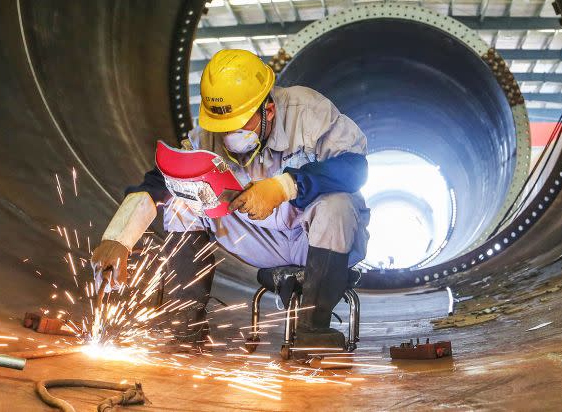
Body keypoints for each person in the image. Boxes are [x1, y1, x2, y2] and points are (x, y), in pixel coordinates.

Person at [91, 49, 369, 350]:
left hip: (318, 238)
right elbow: (160, 182)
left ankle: (313, 331)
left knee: (338, 204)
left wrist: (284, 186)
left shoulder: (310, 113)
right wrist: (119, 237)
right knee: (182, 202)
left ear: (269, 110)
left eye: (239, 126)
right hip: (260, 239)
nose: (229, 138)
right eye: (223, 129)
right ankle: (184, 326)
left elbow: (355, 170)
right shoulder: (208, 135)